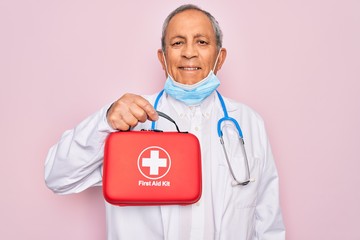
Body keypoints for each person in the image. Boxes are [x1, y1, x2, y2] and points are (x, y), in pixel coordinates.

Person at [45, 4, 285, 240]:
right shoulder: (129, 119)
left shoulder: (248, 123)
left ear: (220, 58)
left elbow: (268, 221)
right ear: (162, 58)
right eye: (177, 42)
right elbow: (57, 177)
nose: (189, 52)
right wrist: (104, 121)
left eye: (201, 42)